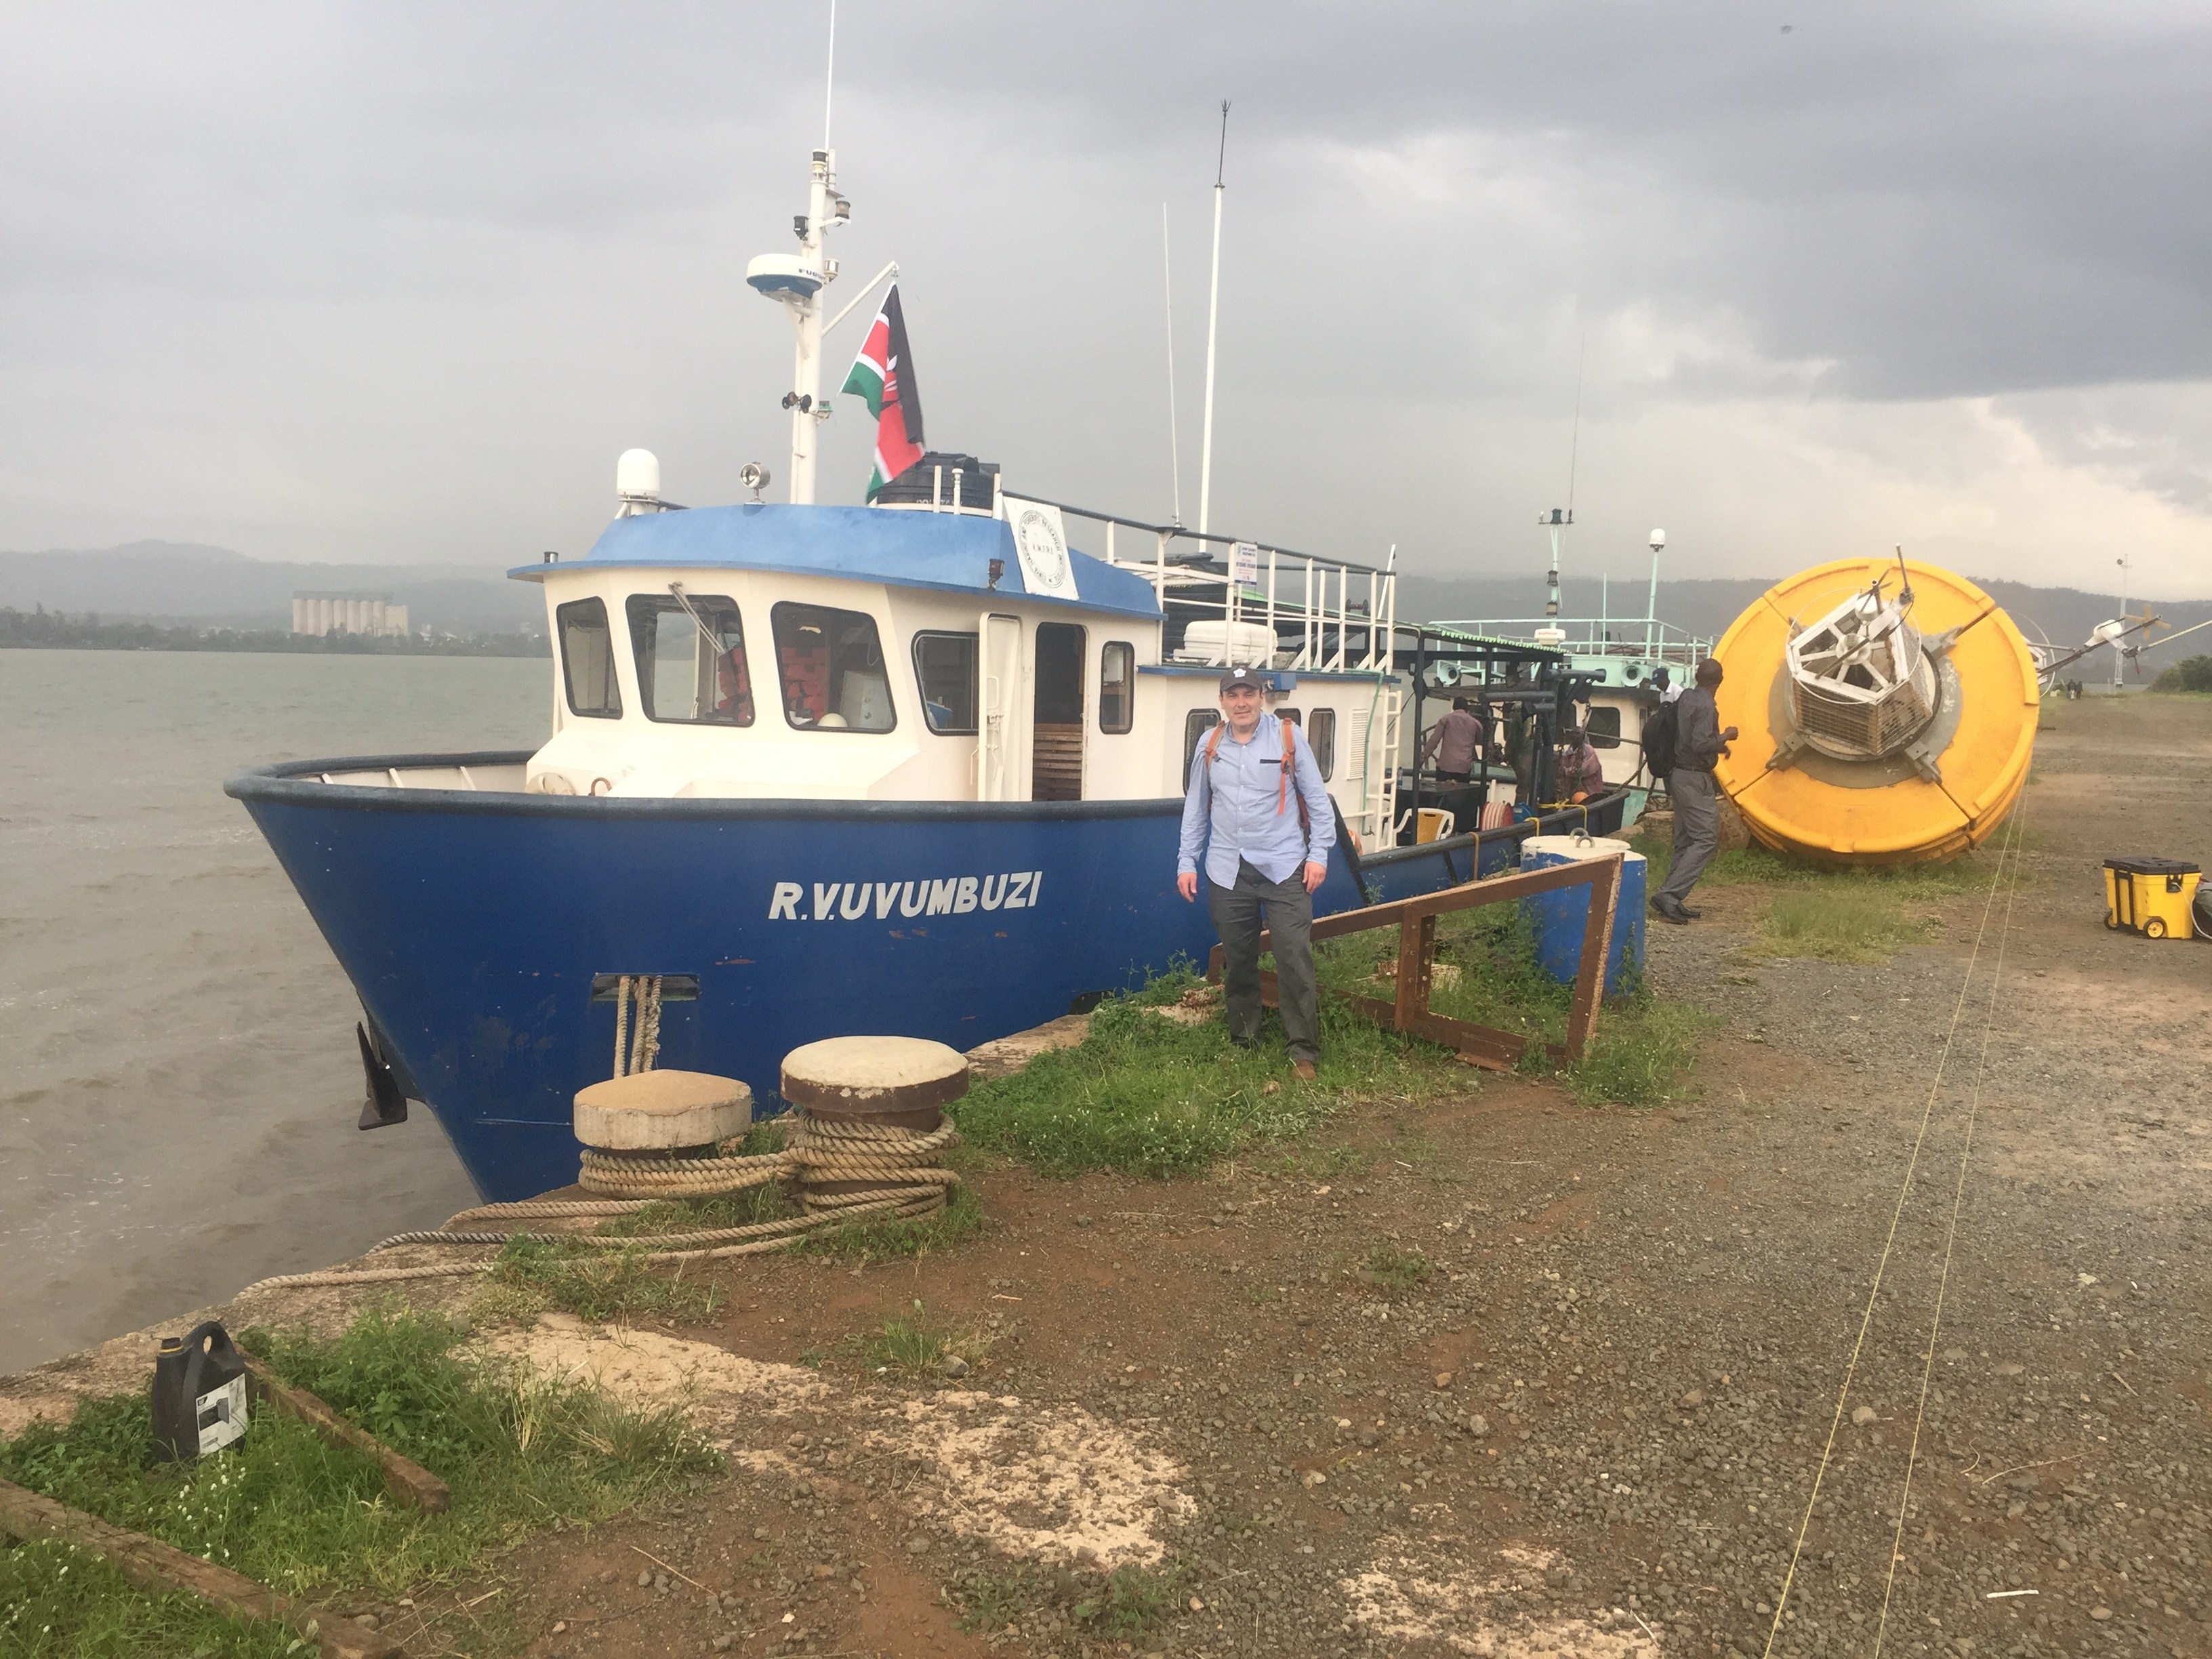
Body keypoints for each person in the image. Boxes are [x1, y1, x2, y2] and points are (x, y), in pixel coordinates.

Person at [1176, 665, 1336, 1079]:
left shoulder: (1288, 737)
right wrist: (1186, 861)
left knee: (1293, 957)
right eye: (1233, 695)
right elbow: (1196, 807)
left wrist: (1318, 855)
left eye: (1248, 694)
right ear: (1222, 701)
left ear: (1261, 698)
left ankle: (1303, 1051)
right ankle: (1244, 1040)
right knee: (1239, 959)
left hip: (1284, 868)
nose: (1241, 703)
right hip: (1227, 869)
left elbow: (1318, 801)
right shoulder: (1209, 744)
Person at [1652, 657, 1738, 924]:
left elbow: (1689, 739)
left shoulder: (1686, 697)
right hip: (1694, 778)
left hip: (1678, 774)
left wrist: (1718, 745)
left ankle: (1671, 899)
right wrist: (1726, 736)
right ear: (1720, 681)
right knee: (1705, 838)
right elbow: (1700, 744)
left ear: (1697, 677)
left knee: (1686, 839)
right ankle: (1670, 894)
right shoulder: (1706, 706)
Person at [1418, 697, 1485, 783]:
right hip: (1464, 767)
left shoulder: (1445, 719)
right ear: (1466, 708)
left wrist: (1423, 757)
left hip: (1446, 766)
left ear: (1454, 707)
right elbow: (1481, 740)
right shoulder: (1475, 723)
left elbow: (1434, 740)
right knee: (1462, 791)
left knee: (1441, 790)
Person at [1554, 725, 1605, 803]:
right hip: (1574, 790)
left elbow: (1587, 768)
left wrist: (1571, 771)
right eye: (1573, 734)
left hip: (1591, 789)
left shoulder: (1589, 750)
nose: (1575, 736)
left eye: (1577, 734)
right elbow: (1563, 768)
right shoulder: (1568, 753)